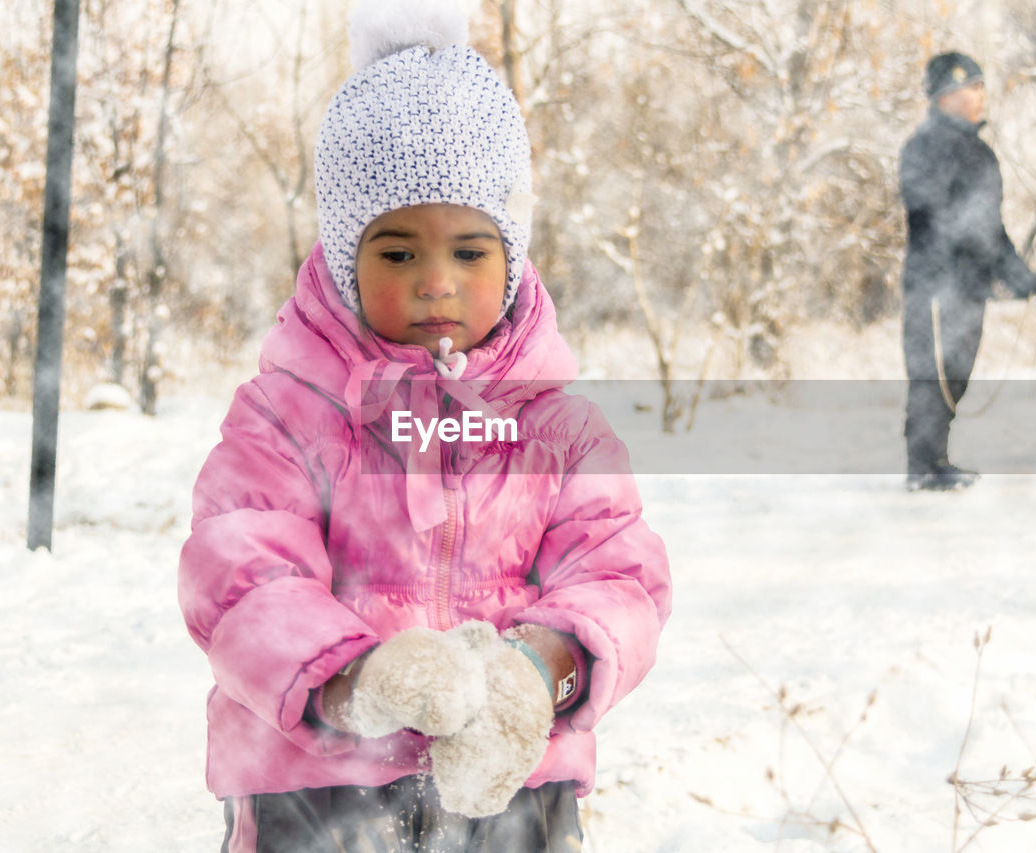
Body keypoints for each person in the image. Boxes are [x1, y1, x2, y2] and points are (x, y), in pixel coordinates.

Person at [176, 2, 672, 850]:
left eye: (469, 252)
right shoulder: (286, 416)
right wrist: (357, 682)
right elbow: (242, 580)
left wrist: (537, 674)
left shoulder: (562, 432)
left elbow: (619, 579)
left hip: (510, 779)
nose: (436, 283)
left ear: (512, 256)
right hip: (319, 782)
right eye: (398, 252)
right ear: (344, 257)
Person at [898, 51, 1036, 492]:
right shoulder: (922, 146)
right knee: (931, 374)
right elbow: (928, 211)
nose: (980, 95)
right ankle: (922, 465)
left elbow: (991, 227)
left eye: (982, 86)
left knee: (956, 374)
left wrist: (1024, 279)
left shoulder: (981, 153)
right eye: (971, 87)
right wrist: (964, 252)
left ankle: (934, 459)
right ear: (944, 95)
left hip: (969, 286)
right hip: (932, 283)